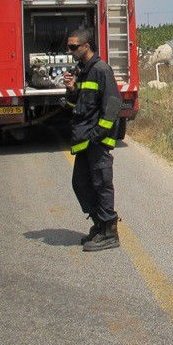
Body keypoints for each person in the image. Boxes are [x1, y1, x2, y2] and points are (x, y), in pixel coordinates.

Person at [63, 27, 123, 252]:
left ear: (86, 46)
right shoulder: (82, 71)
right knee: (81, 183)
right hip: (85, 140)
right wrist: (70, 89)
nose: (70, 51)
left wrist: (98, 135)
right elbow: (75, 106)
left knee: (101, 184)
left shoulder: (101, 70)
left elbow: (113, 105)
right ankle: (99, 225)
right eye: (69, 47)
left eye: (73, 47)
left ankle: (109, 232)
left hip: (95, 141)